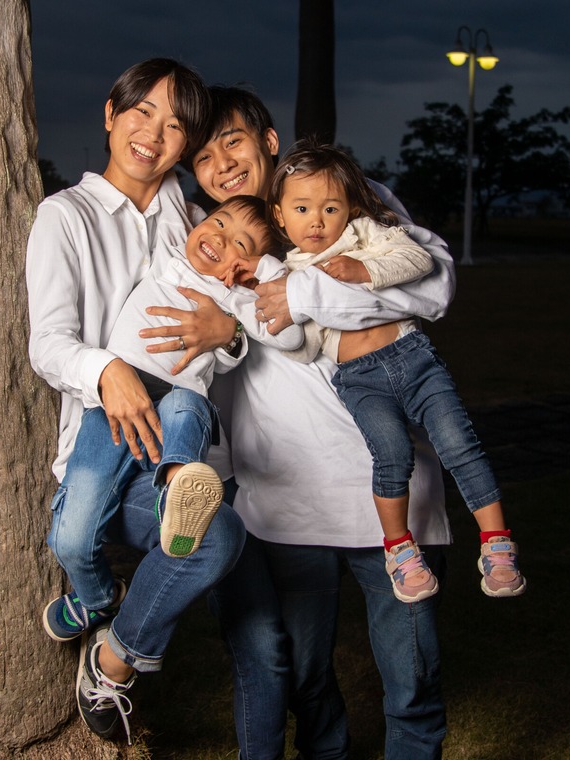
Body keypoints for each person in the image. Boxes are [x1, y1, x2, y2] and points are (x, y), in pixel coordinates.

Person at [184, 85, 457, 758]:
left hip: (385, 487)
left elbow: (433, 285)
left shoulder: (343, 200)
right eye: (203, 154)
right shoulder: (200, 239)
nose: (221, 163)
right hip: (283, 502)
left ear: (268, 143)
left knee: (411, 676)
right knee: (307, 677)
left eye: (234, 142)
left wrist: (301, 291)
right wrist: (233, 327)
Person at [25, 59, 247, 746]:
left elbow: (240, 300)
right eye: (141, 113)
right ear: (110, 116)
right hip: (101, 442)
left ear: (187, 145)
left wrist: (230, 331)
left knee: (220, 538)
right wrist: (107, 371)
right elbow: (49, 343)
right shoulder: (68, 216)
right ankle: (98, 595)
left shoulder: (192, 215)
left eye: (175, 125)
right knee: (96, 527)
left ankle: (112, 658)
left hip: (171, 449)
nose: (154, 134)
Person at [268, 139, 526, 602]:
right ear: (280, 216)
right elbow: (306, 350)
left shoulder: (365, 233)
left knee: (458, 442)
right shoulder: (288, 274)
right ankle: (399, 549)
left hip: (411, 356)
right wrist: (287, 319)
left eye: (330, 208)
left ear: (349, 207)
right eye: (302, 208)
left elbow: (417, 259)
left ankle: (496, 544)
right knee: (390, 456)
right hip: (357, 378)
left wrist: (361, 270)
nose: (317, 220)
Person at [41, 195, 302, 644]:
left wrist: (260, 275)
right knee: (69, 538)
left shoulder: (237, 300)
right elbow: (167, 197)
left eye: (239, 242)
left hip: (178, 401)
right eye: (218, 223)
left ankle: (174, 496)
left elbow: (292, 331)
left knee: (188, 406)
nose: (219, 238)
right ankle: (98, 596)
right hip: (112, 406)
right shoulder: (168, 252)